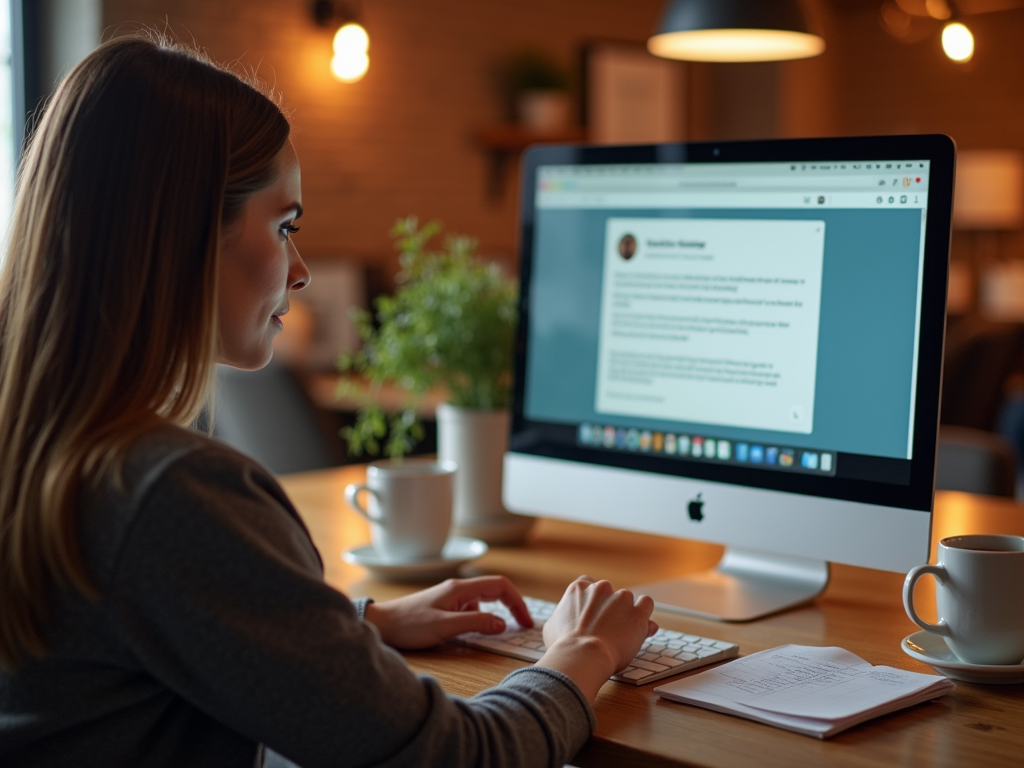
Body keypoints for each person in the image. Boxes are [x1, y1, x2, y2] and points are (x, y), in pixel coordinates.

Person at [0, 35, 657, 767]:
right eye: (285, 227)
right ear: (186, 234)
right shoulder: (166, 493)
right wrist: (583, 651)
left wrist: (356, 625)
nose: (302, 268)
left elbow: (140, 620)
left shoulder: (40, 450)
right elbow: (456, 757)